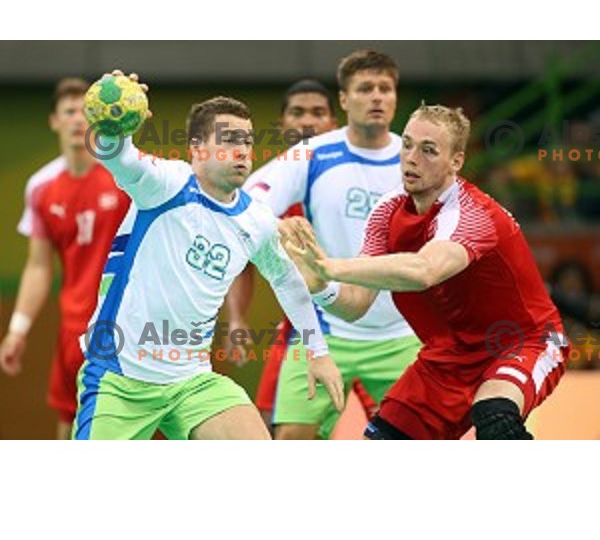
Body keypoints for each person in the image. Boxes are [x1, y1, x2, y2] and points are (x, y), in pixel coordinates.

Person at [72, 70, 343, 440]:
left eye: (246, 141)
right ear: (198, 149)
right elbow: (118, 157)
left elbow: (286, 279)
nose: (242, 150)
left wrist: (317, 351)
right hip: (120, 376)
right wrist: (110, 124)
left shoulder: (257, 219)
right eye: (229, 140)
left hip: (193, 381)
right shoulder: (165, 184)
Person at [289, 103, 570, 440]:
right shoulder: (387, 211)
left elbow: (424, 270)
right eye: (406, 144)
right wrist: (320, 285)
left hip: (525, 343)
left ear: (456, 161)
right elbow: (356, 304)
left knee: (495, 417)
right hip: (447, 359)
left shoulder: (473, 214)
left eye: (429, 150)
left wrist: (330, 266)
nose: (411, 158)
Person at [242, 50, 422, 440]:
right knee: (290, 438)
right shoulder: (313, 153)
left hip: (402, 332)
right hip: (324, 330)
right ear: (343, 99)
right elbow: (246, 202)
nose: (376, 97)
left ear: (395, 97)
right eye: (365, 88)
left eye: (385, 88)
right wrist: (278, 224)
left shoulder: (414, 156)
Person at [0, 78, 130, 439]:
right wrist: (17, 330)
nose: (78, 120)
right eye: (69, 111)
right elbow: (39, 265)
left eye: (86, 112)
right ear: (54, 121)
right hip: (74, 331)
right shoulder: (41, 187)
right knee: (70, 425)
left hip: (130, 328)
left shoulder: (126, 174)